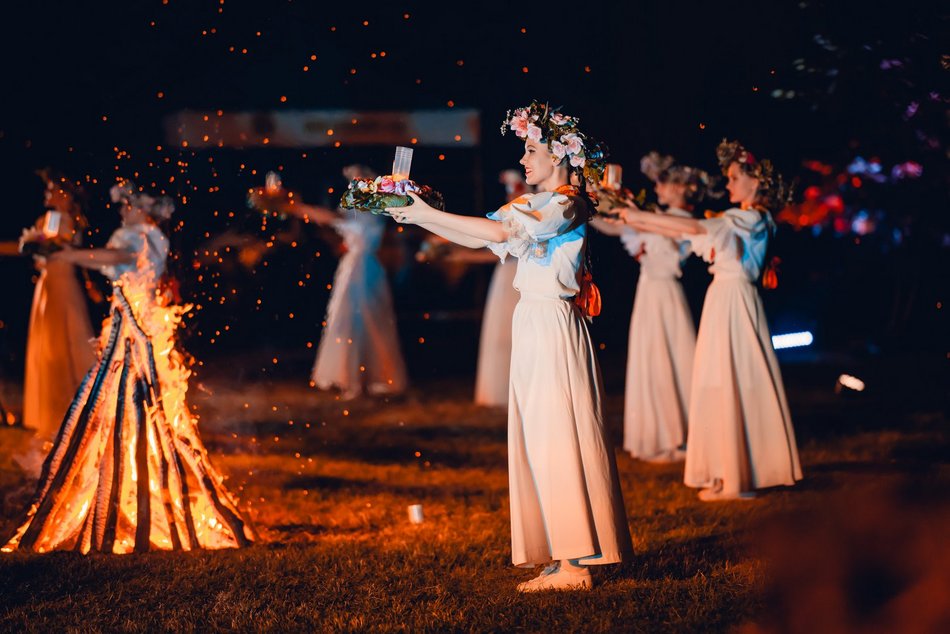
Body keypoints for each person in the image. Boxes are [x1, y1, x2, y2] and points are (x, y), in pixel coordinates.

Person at [388, 102, 632, 591]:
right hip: (534, 320)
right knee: (537, 436)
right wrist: (416, 217)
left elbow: (498, 231)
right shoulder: (538, 204)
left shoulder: (566, 203)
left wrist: (425, 213)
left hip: (553, 322)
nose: (523, 159)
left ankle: (573, 563)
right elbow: (481, 236)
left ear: (561, 155)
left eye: (531, 149)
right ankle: (560, 553)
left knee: (557, 432)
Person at [2, 180, 253, 553]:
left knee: (136, 403)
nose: (121, 210)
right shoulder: (140, 234)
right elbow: (113, 260)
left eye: (127, 205)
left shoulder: (141, 235)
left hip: (138, 331)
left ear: (142, 207)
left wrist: (66, 254)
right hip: (130, 326)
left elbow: (115, 260)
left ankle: (139, 490)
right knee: (119, 405)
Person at [618, 139, 802, 500]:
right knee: (717, 382)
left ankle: (736, 477)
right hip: (724, 299)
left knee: (731, 381)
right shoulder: (743, 219)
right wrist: (633, 216)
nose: (729, 184)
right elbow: (687, 229)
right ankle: (727, 470)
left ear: (756, 180)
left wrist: (636, 216)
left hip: (735, 300)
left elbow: (693, 230)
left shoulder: (752, 219)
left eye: (735, 177)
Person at [252, 165, 408, 400]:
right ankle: (354, 378)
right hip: (354, 266)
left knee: (362, 320)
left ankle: (367, 378)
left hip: (364, 268)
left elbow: (332, 218)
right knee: (350, 320)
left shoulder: (372, 207)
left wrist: (293, 206)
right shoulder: (362, 207)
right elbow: (333, 222)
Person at [6, 170, 96, 444]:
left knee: (65, 344)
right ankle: (51, 413)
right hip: (46, 286)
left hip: (62, 287)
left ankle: (78, 407)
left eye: (52, 189)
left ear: (65, 195)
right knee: (47, 347)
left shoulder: (67, 220)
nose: (47, 193)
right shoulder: (46, 219)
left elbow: (56, 250)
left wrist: (35, 246)